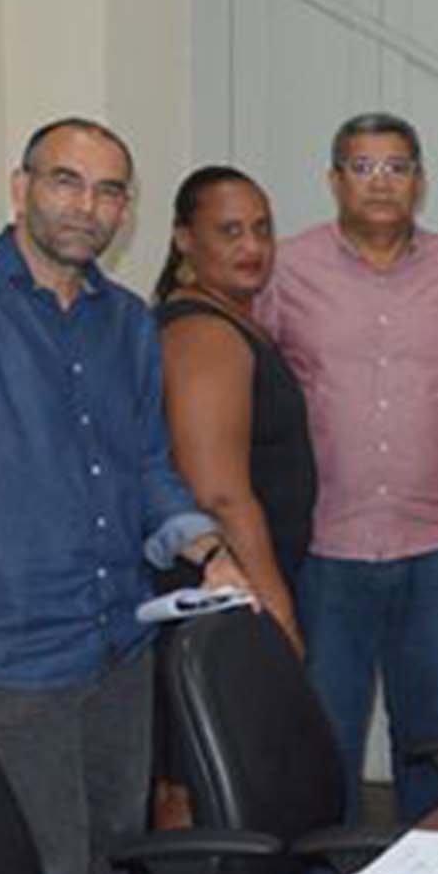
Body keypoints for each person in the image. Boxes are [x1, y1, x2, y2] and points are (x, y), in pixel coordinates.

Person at [0, 118, 247, 874]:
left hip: (118, 647)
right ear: (21, 188)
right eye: (66, 181)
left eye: (108, 191)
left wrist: (208, 550)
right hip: (11, 657)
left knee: (113, 862)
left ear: (125, 212)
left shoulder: (128, 322)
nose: (86, 206)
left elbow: (148, 465)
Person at [261, 112, 438, 822]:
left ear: (419, 181)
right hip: (326, 546)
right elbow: (256, 387)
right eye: (362, 167)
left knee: (429, 733)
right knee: (327, 732)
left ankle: (422, 869)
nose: (380, 183)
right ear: (334, 179)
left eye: (396, 167)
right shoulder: (288, 270)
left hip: (434, 545)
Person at [153, 166, 316, 653]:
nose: (252, 246)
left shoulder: (230, 320)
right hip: (233, 592)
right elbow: (218, 496)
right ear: (184, 239)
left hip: (250, 585)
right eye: (230, 231)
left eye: (262, 229)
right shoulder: (202, 334)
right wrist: (279, 615)